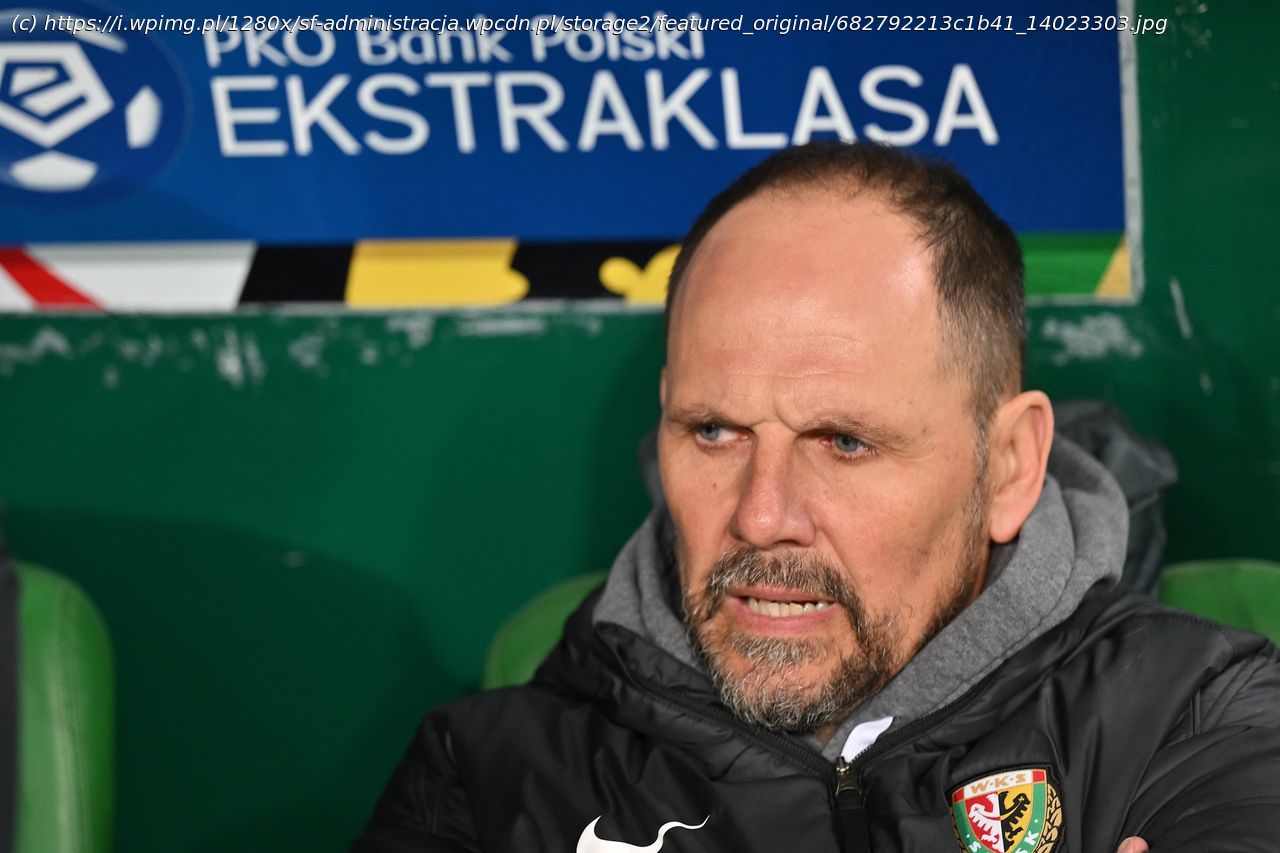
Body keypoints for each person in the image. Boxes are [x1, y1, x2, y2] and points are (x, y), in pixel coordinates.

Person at [353, 143, 1280, 852]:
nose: (761, 516)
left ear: (1007, 467)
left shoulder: (1198, 720)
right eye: (714, 430)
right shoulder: (485, 777)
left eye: (843, 442)